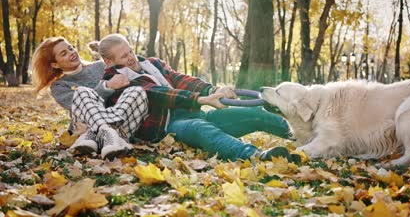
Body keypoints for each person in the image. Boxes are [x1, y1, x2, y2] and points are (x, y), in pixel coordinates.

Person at [89, 33, 298, 162]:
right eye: (124, 56)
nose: (131, 57)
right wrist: (200, 99)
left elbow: (180, 79)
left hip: (195, 115)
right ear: (109, 61)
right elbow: (159, 94)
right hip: (167, 128)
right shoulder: (118, 79)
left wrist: (212, 90)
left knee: (254, 113)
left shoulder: (152, 63)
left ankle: (306, 138)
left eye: (130, 51)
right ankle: (256, 156)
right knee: (201, 129)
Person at [32, 37, 149, 159]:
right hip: (86, 129)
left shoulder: (101, 66)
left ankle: (109, 136)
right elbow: (79, 106)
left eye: (70, 48)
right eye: (64, 53)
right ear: (55, 64)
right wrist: (106, 86)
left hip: (119, 126)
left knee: (137, 91)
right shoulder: (59, 86)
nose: (71, 53)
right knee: (82, 92)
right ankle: (107, 135)